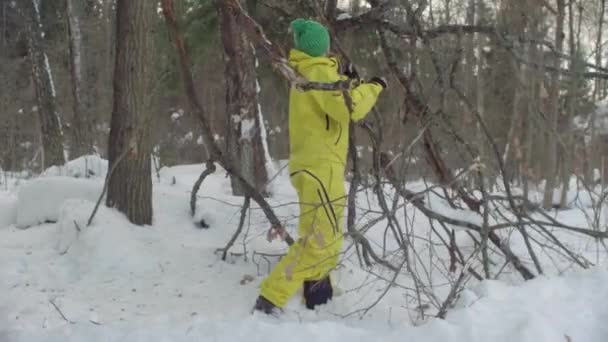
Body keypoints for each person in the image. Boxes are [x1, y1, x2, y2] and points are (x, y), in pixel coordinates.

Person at [253, 18, 387, 314]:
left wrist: (349, 82)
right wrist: (373, 87)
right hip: (321, 166)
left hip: (310, 166)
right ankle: (270, 300)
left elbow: (333, 101)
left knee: (320, 235)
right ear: (321, 47)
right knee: (321, 241)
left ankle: (317, 298)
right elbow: (348, 108)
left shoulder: (307, 72)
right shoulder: (318, 71)